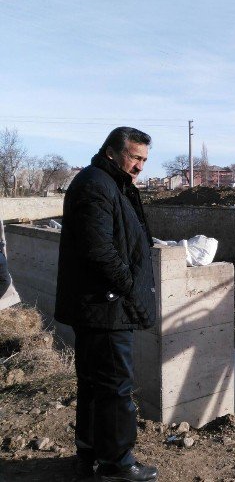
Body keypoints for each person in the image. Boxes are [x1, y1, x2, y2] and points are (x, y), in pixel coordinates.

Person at [55, 127, 158, 482]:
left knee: (96, 384)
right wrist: (130, 286)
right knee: (115, 388)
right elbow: (98, 249)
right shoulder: (96, 184)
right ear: (113, 152)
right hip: (106, 307)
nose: (140, 166)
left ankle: (89, 454)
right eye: (135, 157)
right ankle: (117, 465)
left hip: (101, 304)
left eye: (144, 159)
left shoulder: (108, 183)